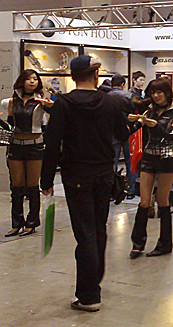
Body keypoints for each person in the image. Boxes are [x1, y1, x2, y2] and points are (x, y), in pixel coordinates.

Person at [41, 55, 129, 312]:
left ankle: (89, 295)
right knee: (98, 229)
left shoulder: (64, 104)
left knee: (85, 233)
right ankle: (94, 283)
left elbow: (52, 143)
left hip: (76, 175)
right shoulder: (110, 102)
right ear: (96, 75)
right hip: (104, 174)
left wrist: (46, 179)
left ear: (72, 76)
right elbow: (122, 134)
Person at [128, 78, 173, 259]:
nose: (156, 96)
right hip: (148, 157)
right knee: (144, 202)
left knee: (163, 201)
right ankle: (137, 244)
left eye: (159, 92)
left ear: (167, 93)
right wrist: (131, 121)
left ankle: (165, 244)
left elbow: (171, 136)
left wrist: (155, 125)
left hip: (166, 159)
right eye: (153, 92)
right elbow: (134, 129)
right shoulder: (149, 110)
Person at [5, 69, 53, 237]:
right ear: (22, 81)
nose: (32, 81)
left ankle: (31, 223)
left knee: (33, 186)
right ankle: (16, 223)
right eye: (28, 79)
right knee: (16, 186)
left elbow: (54, 116)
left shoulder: (41, 101)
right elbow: (10, 123)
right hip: (15, 145)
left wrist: (50, 106)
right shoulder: (12, 101)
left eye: (35, 79)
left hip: (35, 145)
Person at [108, 74, 136, 199]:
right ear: (123, 84)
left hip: (112, 132)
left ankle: (111, 191)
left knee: (112, 161)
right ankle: (130, 190)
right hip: (128, 131)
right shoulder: (129, 96)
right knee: (131, 162)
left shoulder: (106, 97)